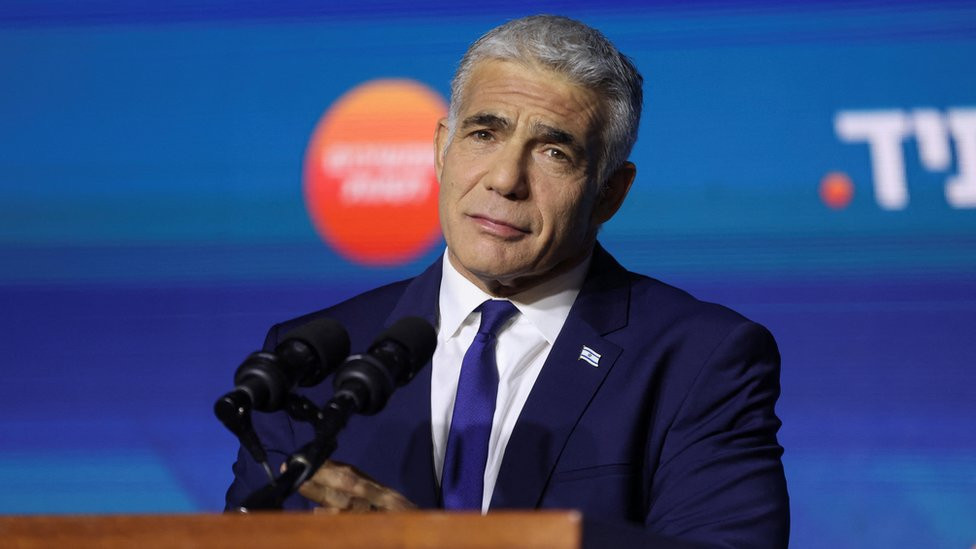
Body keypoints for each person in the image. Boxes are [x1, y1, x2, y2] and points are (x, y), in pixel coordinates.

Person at [227, 14, 789, 547]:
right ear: (441, 148)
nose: (505, 180)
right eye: (483, 135)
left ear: (611, 193)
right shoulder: (310, 362)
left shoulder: (698, 360)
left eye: (553, 152)